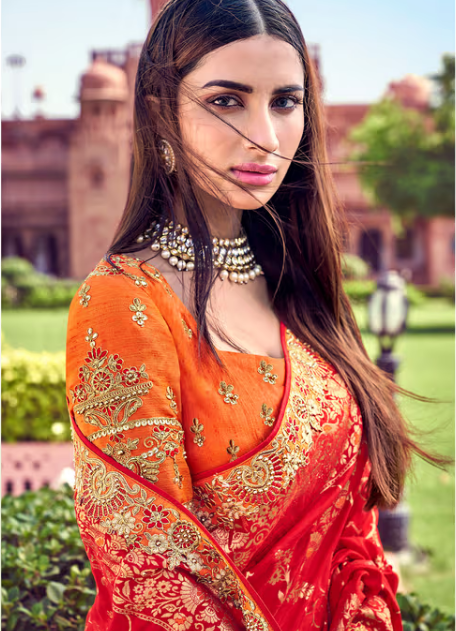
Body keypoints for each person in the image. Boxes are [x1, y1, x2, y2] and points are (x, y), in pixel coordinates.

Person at [65, 1, 448, 629]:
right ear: (160, 111)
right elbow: (151, 568)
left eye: (285, 102)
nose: (265, 138)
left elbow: (352, 540)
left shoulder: (302, 289)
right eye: (226, 101)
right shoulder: (124, 303)